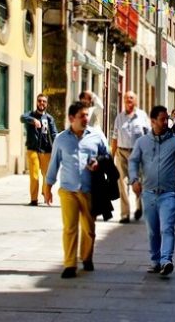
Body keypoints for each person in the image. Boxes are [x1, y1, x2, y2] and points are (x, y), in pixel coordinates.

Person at [43, 101, 110, 279]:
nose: (86, 119)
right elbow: (54, 164)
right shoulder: (61, 139)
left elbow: (107, 155)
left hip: (89, 191)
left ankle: (87, 257)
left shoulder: (96, 136)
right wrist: (48, 186)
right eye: (82, 116)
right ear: (71, 118)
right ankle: (70, 264)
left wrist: (99, 162)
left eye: (87, 115)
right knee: (70, 228)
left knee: (89, 229)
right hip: (68, 191)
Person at [129, 105, 175, 277]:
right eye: (162, 119)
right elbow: (133, 162)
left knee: (167, 228)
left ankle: (167, 260)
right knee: (153, 230)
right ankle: (155, 260)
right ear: (152, 122)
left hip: (169, 194)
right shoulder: (142, 142)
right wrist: (134, 179)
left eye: (167, 119)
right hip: (149, 193)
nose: (166, 122)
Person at [111, 91, 151, 223]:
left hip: (138, 154)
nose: (129, 100)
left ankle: (139, 207)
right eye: (126, 98)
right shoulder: (119, 117)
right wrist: (112, 155)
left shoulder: (142, 116)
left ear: (136, 101)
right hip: (122, 153)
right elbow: (115, 138)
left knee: (138, 182)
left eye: (131, 98)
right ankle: (125, 214)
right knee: (122, 183)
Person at [20, 93, 57, 206]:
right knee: (34, 175)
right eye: (40, 101)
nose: (41, 103)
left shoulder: (49, 118)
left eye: (44, 101)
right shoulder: (30, 115)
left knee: (47, 175)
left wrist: (58, 145)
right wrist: (33, 121)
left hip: (46, 150)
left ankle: (45, 192)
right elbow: (22, 118)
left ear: (46, 104)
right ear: (36, 102)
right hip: (33, 149)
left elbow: (54, 133)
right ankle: (34, 199)